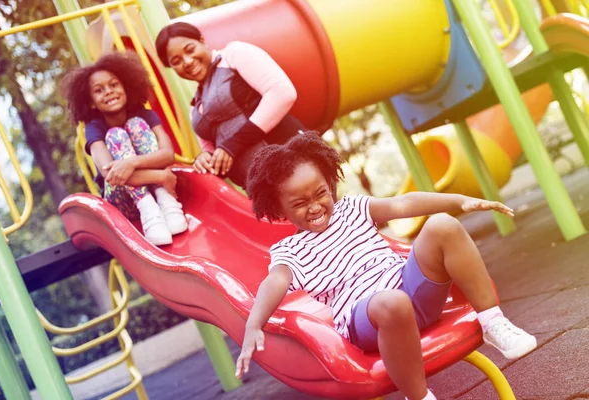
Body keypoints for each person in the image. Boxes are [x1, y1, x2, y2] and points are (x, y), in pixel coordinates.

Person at [235, 132, 537, 400]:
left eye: (320, 193)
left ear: (329, 184)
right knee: (392, 302)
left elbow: (402, 204)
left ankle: (493, 322)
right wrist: (253, 324)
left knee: (443, 226)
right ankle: (418, 397)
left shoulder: (352, 208)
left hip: (412, 291)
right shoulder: (289, 250)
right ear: (279, 208)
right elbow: (274, 282)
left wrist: (458, 201)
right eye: (299, 203)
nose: (314, 206)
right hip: (369, 319)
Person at [155, 22, 304, 188]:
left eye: (190, 50)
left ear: (202, 41)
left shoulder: (233, 54)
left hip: (295, 164)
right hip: (261, 189)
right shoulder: (195, 107)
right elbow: (212, 150)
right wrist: (204, 159)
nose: (188, 61)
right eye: (176, 61)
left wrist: (233, 144)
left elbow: (282, 92)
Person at [61, 52, 188, 246]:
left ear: (126, 87)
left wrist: (131, 162)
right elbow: (112, 174)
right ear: (90, 102)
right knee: (116, 135)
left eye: (114, 85)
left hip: (160, 189)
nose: (109, 92)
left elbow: (167, 154)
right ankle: (149, 211)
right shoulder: (94, 128)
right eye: (99, 90)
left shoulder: (145, 115)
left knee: (136, 124)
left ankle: (166, 202)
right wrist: (161, 176)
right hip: (124, 200)